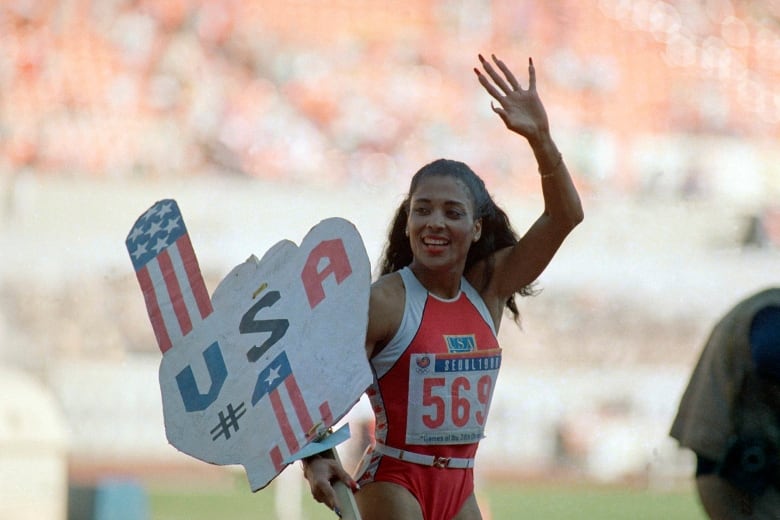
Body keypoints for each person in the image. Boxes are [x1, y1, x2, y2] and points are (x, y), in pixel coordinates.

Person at [302, 53, 584, 520]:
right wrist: (316, 459)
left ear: (476, 229)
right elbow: (311, 385)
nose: (435, 223)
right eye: (422, 209)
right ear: (408, 218)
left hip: (462, 487)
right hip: (396, 482)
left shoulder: (488, 290)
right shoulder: (385, 301)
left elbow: (564, 217)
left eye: (452, 212)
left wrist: (542, 140)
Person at [670, 288, 780, 519]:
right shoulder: (771, 309)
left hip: (739, 468)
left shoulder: (763, 305)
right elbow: (769, 355)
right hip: (747, 477)